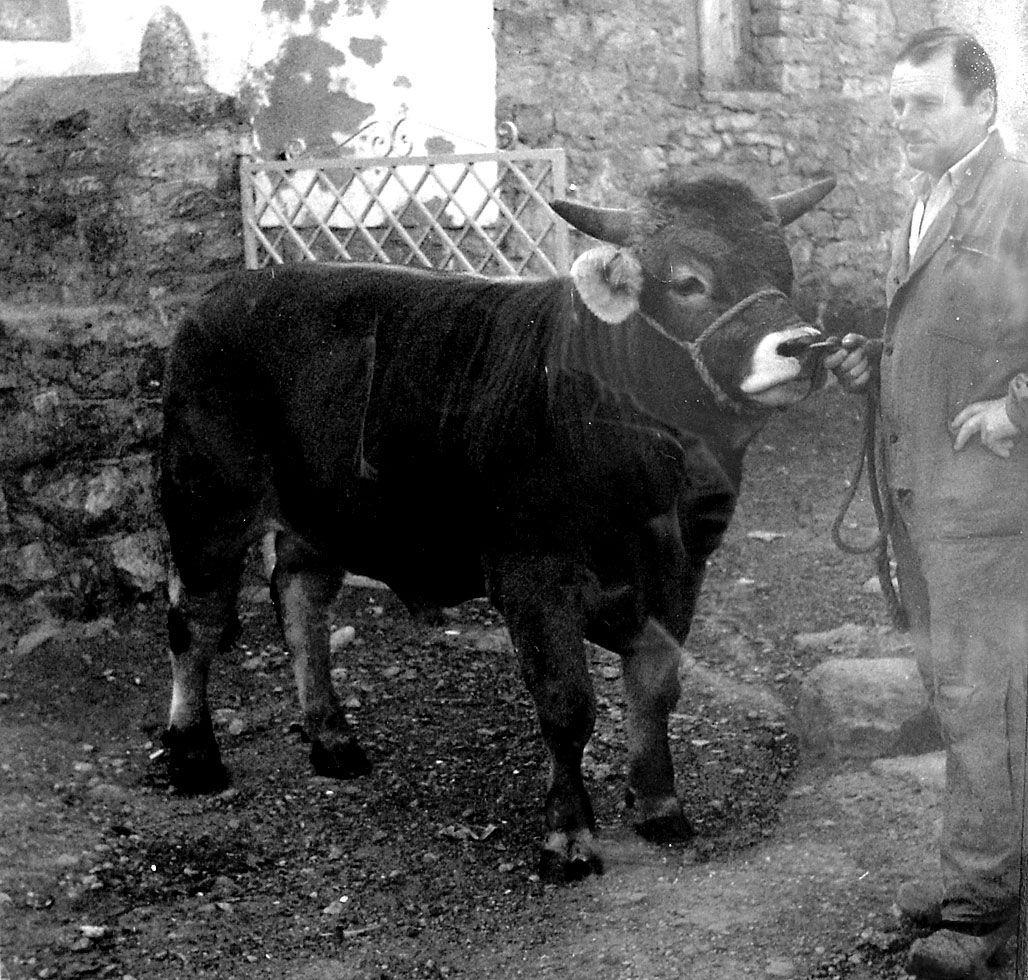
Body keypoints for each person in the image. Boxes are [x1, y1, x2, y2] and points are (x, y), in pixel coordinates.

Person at [827, 26, 1028, 980]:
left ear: (984, 106)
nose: (902, 120)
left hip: (990, 506)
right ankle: (975, 871)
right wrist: (876, 361)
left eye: (924, 103)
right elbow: (949, 333)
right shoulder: (928, 197)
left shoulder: (1017, 198)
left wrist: (1015, 410)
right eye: (896, 103)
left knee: (986, 698)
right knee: (958, 692)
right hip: (926, 500)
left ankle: (982, 914)